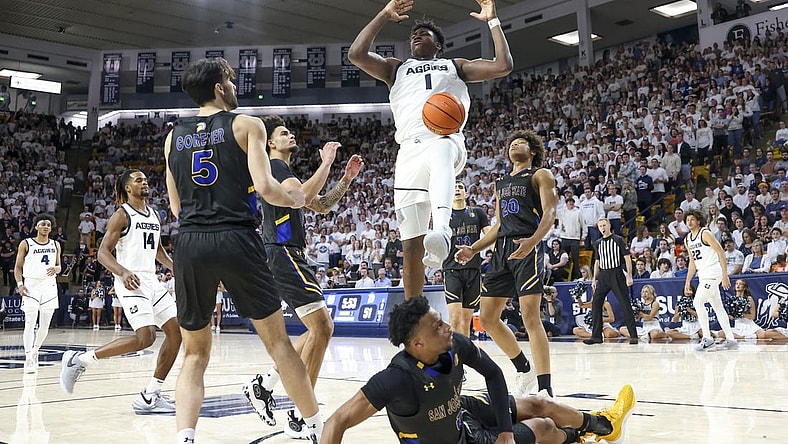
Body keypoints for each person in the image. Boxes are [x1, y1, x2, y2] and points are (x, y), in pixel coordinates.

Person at [164, 57, 321, 443]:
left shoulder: (172, 137)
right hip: (236, 237)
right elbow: (267, 190)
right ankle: (316, 428)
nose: (235, 87)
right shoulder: (247, 124)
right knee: (280, 344)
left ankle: (186, 436)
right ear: (220, 87)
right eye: (231, 80)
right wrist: (297, 200)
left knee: (195, 355)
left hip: (190, 241)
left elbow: (175, 206)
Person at [348, 0, 513, 299]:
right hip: (409, 150)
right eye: (414, 34)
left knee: (440, 150)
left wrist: (493, 22)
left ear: (439, 45)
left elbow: (503, 66)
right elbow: (356, 54)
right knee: (411, 241)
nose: (416, 36)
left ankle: (443, 231)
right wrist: (384, 15)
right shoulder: (395, 69)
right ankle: (414, 310)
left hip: (446, 139)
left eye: (424, 34)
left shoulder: (455, 66)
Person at [321, 297, 636, 444]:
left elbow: (495, 375)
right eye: (437, 326)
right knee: (541, 426)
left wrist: (505, 431)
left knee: (539, 403)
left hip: (460, 413)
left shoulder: (454, 344)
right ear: (417, 344)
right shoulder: (397, 379)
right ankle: (574, 439)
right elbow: (336, 422)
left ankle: (606, 425)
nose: (448, 327)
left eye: (443, 320)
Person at [244, 113, 363, 438]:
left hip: (286, 253)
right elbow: (305, 198)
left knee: (315, 331)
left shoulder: (283, 172)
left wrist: (346, 180)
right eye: (283, 133)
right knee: (322, 327)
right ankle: (301, 414)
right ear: (271, 143)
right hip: (282, 252)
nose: (290, 135)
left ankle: (265, 385)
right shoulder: (276, 167)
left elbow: (321, 205)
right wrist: (326, 162)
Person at [59, 169, 182, 415]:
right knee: (146, 338)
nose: (144, 182)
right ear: (127, 188)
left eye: (145, 179)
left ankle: (150, 395)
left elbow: (158, 252)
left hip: (151, 281)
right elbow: (103, 252)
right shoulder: (121, 215)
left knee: (176, 333)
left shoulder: (154, 214)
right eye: (138, 180)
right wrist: (123, 272)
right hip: (130, 281)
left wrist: (178, 268)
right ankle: (78, 360)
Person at [455, 130, 558, 397]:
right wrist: (473, 249)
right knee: (487, 318)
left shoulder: (540, 175)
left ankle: (546, 388)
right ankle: (524, 368)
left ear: (532, 151)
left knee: (530, 316)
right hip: (501, 252)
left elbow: (550, 213)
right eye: (511, 142)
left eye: (520, 142)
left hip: (527, 246)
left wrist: (533, 242)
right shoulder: (500, 183)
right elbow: (498, 225)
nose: (514, 144)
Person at [683, 209, 738, 351]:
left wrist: (725, 275)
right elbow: (692, 262)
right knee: (717, 307)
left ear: (698, 221)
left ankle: (707, 338)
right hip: (702, 274)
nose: (689, 222)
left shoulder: (705, 233)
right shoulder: (687, 239)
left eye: (692, 219)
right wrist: (688, 281)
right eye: (687, 220)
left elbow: (720, 252)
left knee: (698, 301)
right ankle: (731, 339)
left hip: (713, 271)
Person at [14, 214, 61, 374]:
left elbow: (59, 266)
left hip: (49, 286)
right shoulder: (26, 243)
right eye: (43, 224)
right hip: (31, 285)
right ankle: (28, 358)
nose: (46, 226)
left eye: (48, 224)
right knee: (30, 322)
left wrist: (58, 269)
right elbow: (17, 267)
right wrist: (20, 285)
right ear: (36, 227)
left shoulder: (56, 244)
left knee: (45, 325)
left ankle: (35, 350)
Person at [443, 181, 489, 336]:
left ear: (466, 194)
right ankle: (456, 357)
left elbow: (490, 237)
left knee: (465, 320)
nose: (457, 189)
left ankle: (464, 355)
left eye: (461, 187)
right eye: (454, 187)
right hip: (452, 269)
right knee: (454, 318)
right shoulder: (443, 216)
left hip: (473, 269)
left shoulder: (478, 213)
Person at [583, 218, 639, 346]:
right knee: (596, 303)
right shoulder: (598, 243)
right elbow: (597, 261)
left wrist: (629, 275)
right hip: (603, 275)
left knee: (625, 304)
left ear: (609, 226)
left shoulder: (618, 239)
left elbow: (627, 258)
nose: (602, 227)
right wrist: (594, 278)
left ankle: (633, 335)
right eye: (600, 226)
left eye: (604, 225)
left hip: (616, 273)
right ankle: (596, 336)